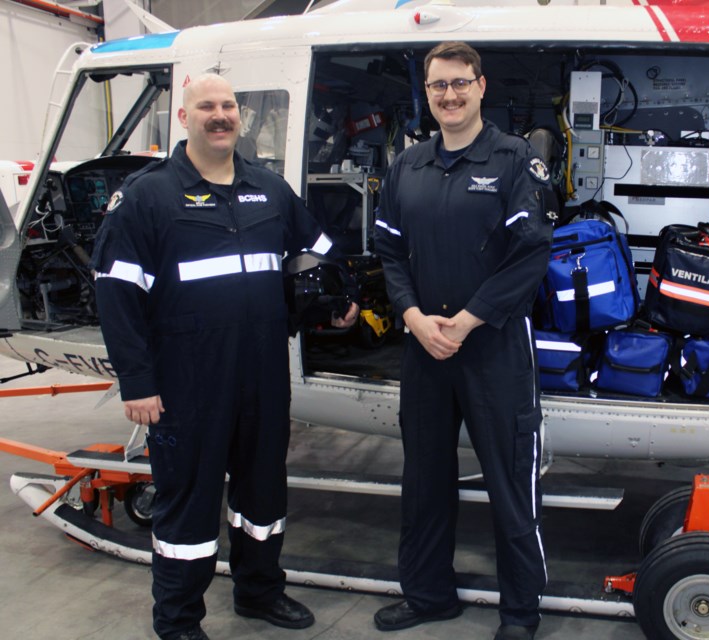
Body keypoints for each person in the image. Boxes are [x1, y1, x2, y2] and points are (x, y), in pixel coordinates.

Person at [91, 73, 358, 640]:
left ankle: (260, 592)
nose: (220, 115)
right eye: (206, 106)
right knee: (188, 503)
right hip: (187, 382)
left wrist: (341, 296)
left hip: (262, 373)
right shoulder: (147, 196)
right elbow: (116, 294)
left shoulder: (268, 188)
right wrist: (137, 382)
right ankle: (179, 619)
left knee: (263, 494)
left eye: (229, 105)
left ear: (240, 115)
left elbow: (319, 244)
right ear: (182, 118)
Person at [373, 42, 553, 640]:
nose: (448, 95)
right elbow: (389, 252)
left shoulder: (512, 160)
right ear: (426, 94)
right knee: (424, 480)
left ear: (481, 86)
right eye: (437, 86)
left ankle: (520, 614)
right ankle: (427, 596)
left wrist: (470, 320)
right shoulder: (409, 166)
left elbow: (530, 256)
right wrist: (412, 316)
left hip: (494, 349)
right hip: (424, 347)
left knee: (509, 484)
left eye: (458, 83)